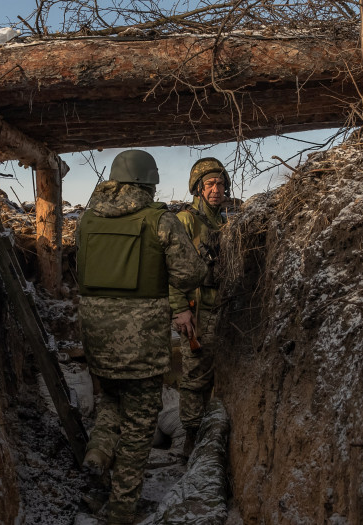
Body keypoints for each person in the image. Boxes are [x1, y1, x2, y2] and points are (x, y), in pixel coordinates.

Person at [77, 150, 206, 524]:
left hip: (97, 337)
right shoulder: (159, 221)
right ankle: (121, 509)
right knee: (139, 424)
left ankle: (98, 453)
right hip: (141, 342)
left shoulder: (86, 220)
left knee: (112, 403)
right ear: (149, 182)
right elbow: (189, 275)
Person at [169, 157, 229, 458]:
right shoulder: (185, 221)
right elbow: (171, 269)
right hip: (197, 311)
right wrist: (180, 309)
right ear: (198, 189)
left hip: (224, 308)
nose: (216, 189)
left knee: (222, 374)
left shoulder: (225, 221)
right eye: (210, 184)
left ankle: (212, 439)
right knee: (194, 379)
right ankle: (189, 442)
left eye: (220, 183)